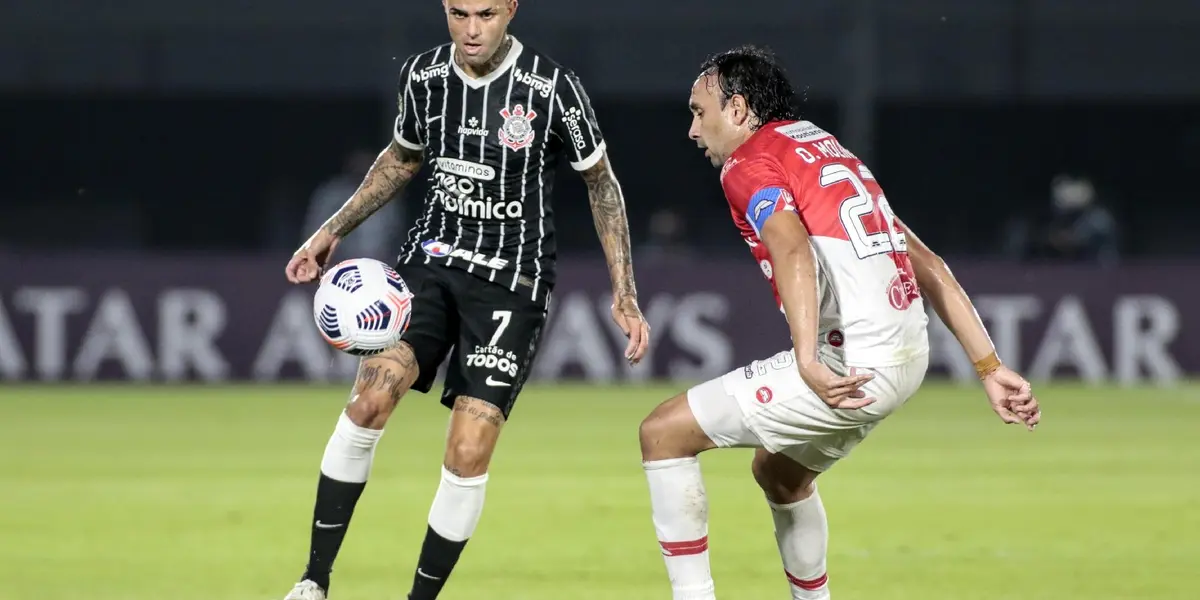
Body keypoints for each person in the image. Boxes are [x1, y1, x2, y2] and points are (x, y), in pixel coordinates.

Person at [637, 45, 1041, 600]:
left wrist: (807, 360)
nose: (692, 129)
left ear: (737, 109)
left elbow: (792, 249)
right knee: (781, 475)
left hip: (851, 362)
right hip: (907, 357)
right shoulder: (823, 148)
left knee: (662, 434)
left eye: (698, 110)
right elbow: (928, 263)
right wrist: (989, 365)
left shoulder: (747, 163)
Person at [281, 2, 651, 599]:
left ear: (510, 9)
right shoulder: (424, 76)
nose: (471, 29)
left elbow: (601, 182)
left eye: (485, 13)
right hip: (430, 267)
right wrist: (329, 232)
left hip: (513, 284)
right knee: (369, 400)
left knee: (468, 447)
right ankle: (313, 581)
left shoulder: (552, 87)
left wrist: (625, 292)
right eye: (458, 13)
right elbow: (401, 160)